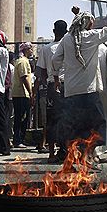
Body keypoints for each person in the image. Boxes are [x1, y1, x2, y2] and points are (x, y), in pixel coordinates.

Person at [52, 0, 107, 158]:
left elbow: (56, 60)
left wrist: (56, 77)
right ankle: (88, 157)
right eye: (92, 22)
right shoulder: (92, 36)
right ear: (89, 24)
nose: (94, 23)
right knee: (95, 127)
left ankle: (75, 159)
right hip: (89, 91)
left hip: (71, 92)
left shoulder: (66, 39)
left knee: (76, 127)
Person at [36, 20, 68, 162]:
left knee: (51, 121)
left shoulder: (46, 49)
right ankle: (65, 151)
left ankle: (51, 153)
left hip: (52, 87)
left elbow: (40, 71)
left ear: (54, 31)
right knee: (67, 119)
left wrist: (45, 83)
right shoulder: (69, 47)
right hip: (68, 86)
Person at [12, 42, 34, 149]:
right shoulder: (23, 62)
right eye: (30, 49)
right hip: (21, 93)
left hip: (20, 93)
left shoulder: (21, 61)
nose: (32, 51)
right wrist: (30, 92)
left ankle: (19, 139)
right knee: (22, 117)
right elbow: (24, 78)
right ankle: (18, 139)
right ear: (26, 50)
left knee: (20, 117)